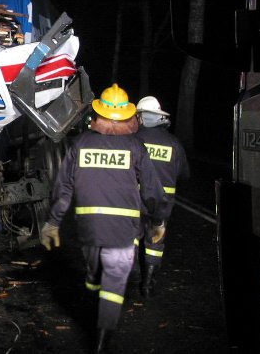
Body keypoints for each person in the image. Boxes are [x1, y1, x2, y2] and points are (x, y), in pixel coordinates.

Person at [40, 83, 168, 352]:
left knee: (95, 277)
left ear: (98, 114)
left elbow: (63, 188)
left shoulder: (80, 143)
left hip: (89, 229)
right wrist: (158, 221)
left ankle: (94, 316)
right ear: (128, 116)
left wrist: (53, 222)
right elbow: (152, 191)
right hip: (123, 231)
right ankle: (101, 340)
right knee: (114, 283)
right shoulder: (135, 147)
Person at [134, 96, 190, 298]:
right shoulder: (174, 143)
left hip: (136, 201)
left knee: (132, 238)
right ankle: (148, 284)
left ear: (141, 117)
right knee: (155, 243)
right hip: (163, 206)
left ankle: (130, 279)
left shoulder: (134, 140)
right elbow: (184, 174)